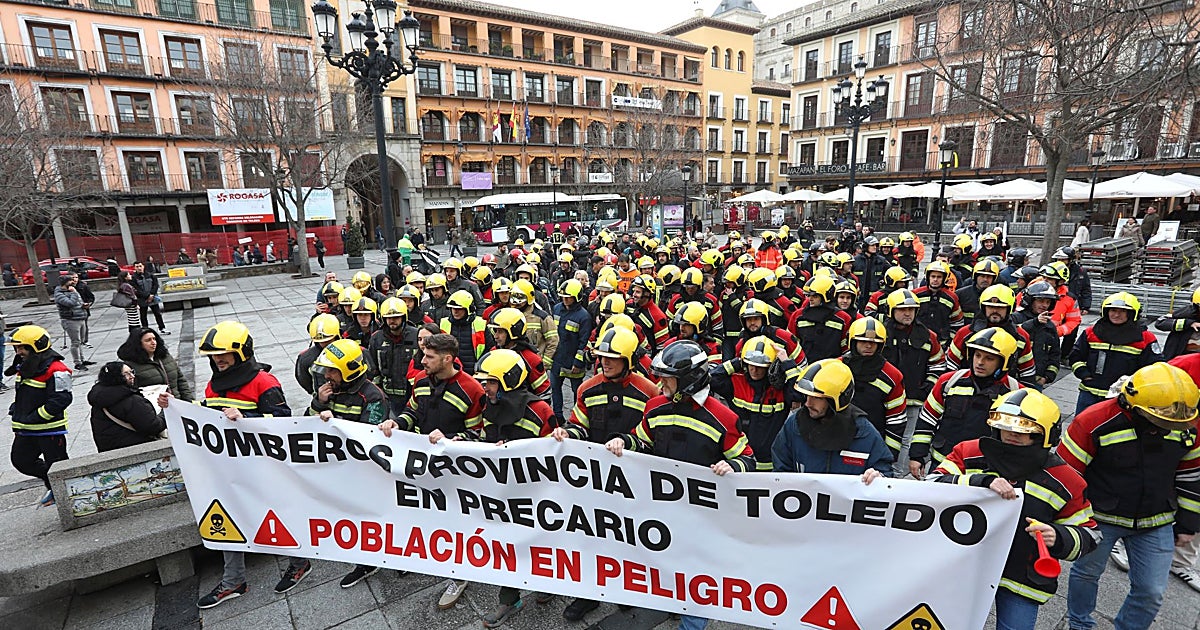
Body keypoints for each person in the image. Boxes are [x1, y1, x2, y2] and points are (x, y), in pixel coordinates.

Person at [156, 321, 308, 607]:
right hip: (230, 471)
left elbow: (285, 423)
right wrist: (174, 405)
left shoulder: (265, 383)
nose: (217, 359)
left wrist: (247, 419)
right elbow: (207, 409)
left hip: (264, 470)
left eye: (223, 353)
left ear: (241, 352)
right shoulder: (216, 383)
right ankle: (233, 581)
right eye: (213, 355)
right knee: (227, 522)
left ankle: (300, 563)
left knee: (280, 518)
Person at [605, 340, 754, 630]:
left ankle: (691, 624)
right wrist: (624, 441)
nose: (661, 382)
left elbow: (747, 459)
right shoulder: (655, 406)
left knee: (697, 573)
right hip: (662, 506)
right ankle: (670, 603)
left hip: (703, 514)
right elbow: (642, 440)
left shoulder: (723, 418)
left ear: (688, 380)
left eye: (668, 377)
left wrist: (732, 465)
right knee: (665, 563)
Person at [928, 389, 1098, 629]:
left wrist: (1057, 536)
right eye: (1006, 426)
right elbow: (931, 485)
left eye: (1023, 430)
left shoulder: (1066, 481)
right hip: (965, 570)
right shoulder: (969, 453)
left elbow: (1090, 535)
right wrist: (981, 483)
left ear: (1046, 435)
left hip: (1021, 579)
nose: (1012, 434)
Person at [1059, 362, 1200, 630]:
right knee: (1087, 573)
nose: (1167, 426)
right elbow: (1066, 475)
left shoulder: (1187, 425)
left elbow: (1191, 476)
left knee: (1151, 591)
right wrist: (1072, 521)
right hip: (1099, 516)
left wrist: (1188, 523)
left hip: (1156, 519)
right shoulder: (1093, 421)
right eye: (1160, 419)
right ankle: (1079, 623)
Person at [383, 333, 484, 610]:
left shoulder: (472, 390)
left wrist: (451, 437)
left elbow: (478, 434)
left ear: (448, 359)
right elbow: (411, 412)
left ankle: (460, 575)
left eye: (429, 357)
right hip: (424, 467)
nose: (422, 360)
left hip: (456, 472)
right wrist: (397, 425)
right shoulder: (421, 382)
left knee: (458, 523)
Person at [307, 338, 390, 590]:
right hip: (338, 467)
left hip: (363, 471)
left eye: (333, 370)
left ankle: (370, 561)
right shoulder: (327, 391)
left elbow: (367, 436)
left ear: (349, 370)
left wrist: (336, 422)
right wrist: (318, 404)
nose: (327, 376)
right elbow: (306, 425)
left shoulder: (373, 396)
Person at [910, 328, 1022, 478]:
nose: (980, 362)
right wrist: (917, 456)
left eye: (989, 358)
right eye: (977, 355)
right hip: (943, 465)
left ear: (1005, 362)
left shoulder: (1016, 394)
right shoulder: (949, 382)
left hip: (986, 473)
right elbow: (927, 419)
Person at [772, 357, 893, 478]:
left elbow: (884, 470)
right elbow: (780, 471)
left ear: (836, 400)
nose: (808, 403)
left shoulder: (863, 433)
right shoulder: (794, 425)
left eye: (817, 398)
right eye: (807, 396)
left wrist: (878, 476)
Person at [5, 326, 72, 507]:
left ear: (37, 346)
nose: (19, 352)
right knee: (21, 461)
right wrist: (18, 409)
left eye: (23, 348)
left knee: (57, 466)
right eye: (17, 348)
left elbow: (62, 398)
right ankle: (53, 484)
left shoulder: (57, 369)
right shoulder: (26, 366)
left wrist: (36, 416)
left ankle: (65, 494)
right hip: (27, 429)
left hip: (49, 429)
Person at [710, 336, 797, 471]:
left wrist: (787, 363)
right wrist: (736, 362)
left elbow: (799, 394)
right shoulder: (736, 383)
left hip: (770, 466)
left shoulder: (780, 390)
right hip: (740, 463)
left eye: (760, 367)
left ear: (771, 366)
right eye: (751, 365)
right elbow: (711, 379)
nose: (754, 371)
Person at [1069, 291, 1161, 416]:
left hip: (1123, 398)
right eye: (1113, 310)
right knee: (1081, 429)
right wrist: (1084, 374)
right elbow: (1076, 356)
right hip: (1090, 394)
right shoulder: (1091, 333)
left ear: (1132, 313)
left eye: (1122, 311)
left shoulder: (1145, 338)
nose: (1116, 315)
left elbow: (1155, 367)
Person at [88, 361, 164, 452]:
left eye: (132, 372)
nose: (132, 376)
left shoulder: (100, 399)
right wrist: (165, 414)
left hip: (111, 452)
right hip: (138, 450)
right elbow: (153, 427)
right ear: (116, 377)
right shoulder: (132, 401)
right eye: (126, 374)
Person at [117, 328, 193, 402]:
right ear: (138, 344)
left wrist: (189, 401)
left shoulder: (165, 357)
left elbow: (180, 380)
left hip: (176, 403)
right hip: (154, 409)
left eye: (154, 339)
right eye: (148, 340)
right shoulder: (130, 365)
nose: (153, 342)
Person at [52, 274, 90, 371]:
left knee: (81, 341)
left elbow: (78, 301)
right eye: (70, 280)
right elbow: (70, 303)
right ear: (65, 283)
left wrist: (83, 305)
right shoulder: (59, 294)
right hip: (71, 320)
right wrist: (74, 293)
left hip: (80, 317)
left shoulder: (72, 290)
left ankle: (82, 359)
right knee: (75, 342)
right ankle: (77, 362)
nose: (73, 282)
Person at [296, 313, 340, 396]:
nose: (324, 344)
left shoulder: (351, 351)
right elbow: (303, 379)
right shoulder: (305, 358)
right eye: (321, 341)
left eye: (328, 341)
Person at [1155, 287, 1200, 359]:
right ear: (1196, 306)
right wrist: (1188, 323)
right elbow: (1160, 322)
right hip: (1177, 360)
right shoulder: (1186, 313)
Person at [132, 262, 169, 335]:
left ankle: (162, 328)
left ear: (143, 266)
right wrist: (147, 296)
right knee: (143, 315)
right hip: (142, 299)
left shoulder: (150, 275)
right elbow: (136, 289)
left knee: (157, 314)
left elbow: (155, 285)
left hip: (153, 298)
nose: (139, 268)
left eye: (140, 266)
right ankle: (145, 330)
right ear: (135, 268)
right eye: (137, 267)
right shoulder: (134, 278)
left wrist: (151, 295)